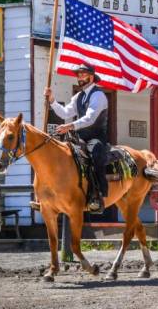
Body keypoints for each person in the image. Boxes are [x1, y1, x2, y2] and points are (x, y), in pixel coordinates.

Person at [44, 63, 109, 212]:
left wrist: (70, 126)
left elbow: (90, 118)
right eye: (78, 74)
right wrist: (52, 100)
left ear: (91, 77)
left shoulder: (98, 95)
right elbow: (65, 113)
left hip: (95, 137)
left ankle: (98, 195)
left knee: (96, 153)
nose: (79, 77)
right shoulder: (79, 96)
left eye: (83, 74)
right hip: (79, 138)